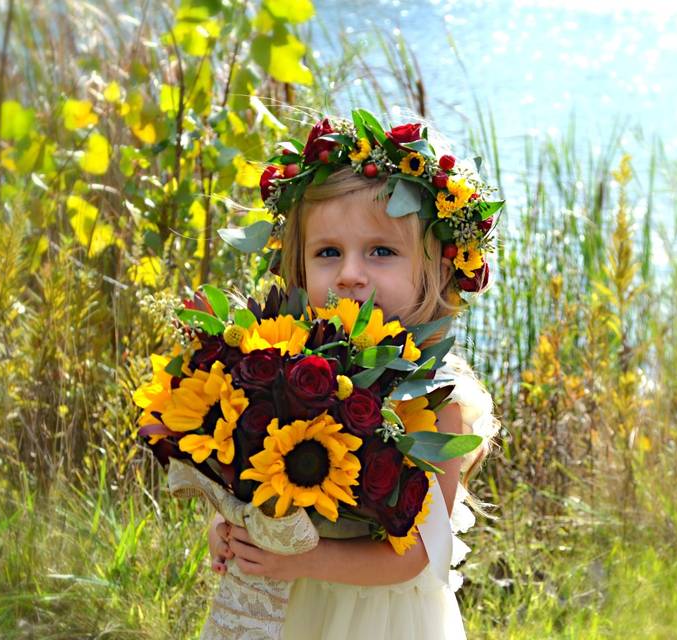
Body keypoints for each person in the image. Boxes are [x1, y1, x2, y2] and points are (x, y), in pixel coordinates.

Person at [206, 111, 500, 640]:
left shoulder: (437, 403)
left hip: (380, 617)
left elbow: (412, 556)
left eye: (381, 251)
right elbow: (253, 481)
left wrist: (305, 561)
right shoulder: (284, 368)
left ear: (433, 268)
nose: (349, 274)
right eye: (328, 253)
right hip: (290, 601)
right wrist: (230, 531)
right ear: (297, 266)